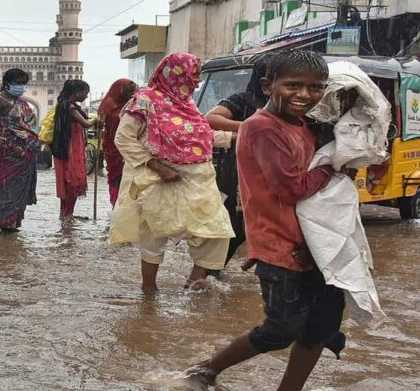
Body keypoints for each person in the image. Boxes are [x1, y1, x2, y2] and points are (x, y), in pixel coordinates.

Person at [186, 50, 346, 391]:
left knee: (320, 325)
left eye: (315, 87)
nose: (304, 95)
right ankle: (206, 369)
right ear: (267, 85)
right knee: (280, 329)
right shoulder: (261, 127)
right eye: (293, 85)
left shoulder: (305, 125)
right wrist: (334, 167)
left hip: (316, 243)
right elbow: (292, 187)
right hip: (280, 246)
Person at [109, 52, 234, 292]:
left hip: (198, 179)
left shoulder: (188, 105)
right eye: (194, 74)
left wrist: (233, 137)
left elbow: (199, 138)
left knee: (216, 230)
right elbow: (123, 138)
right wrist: (156, 166)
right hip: (158, 177)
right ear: (177, 73)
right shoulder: (144, 100)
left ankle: (193, 286)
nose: (197, 81)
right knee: (156, 232)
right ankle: (149, 293)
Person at [205, 54, 273, 267]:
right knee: (234, 224)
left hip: (270, 172)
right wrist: (247, 127)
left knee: (260, 223)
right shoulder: (244, 100)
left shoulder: (287, 105)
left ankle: (212, 268)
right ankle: (208, 270)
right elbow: (211, 118)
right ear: (264, 80)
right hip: (237, 171)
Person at [0, 68, 40, 232]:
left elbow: (28, 126)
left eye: (24, 84)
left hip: (21, 155)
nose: (22, 87)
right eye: (18, 83)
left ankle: (11, 223)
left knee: (15, 190)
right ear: (6, 84)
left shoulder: (23, 104)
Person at [51, 79, 96, 220]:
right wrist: (97, 120)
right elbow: (86, 124)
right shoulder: (70, 108)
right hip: (71, 149)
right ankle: (68, 214)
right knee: (73, 181)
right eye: (85, 93)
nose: (86, 96)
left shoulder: (64, 105)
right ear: (77, 92)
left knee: (67, 182)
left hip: (66, 149)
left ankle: (64, 213)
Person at [98, 79, 138, 206]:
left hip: (131, 147)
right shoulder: (109, 104)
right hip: (113, 149)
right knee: (116, 177)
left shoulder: (133, 104)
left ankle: (127, 208)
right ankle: (116, 206)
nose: (130, 94)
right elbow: (100, 124)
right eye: (128, 91)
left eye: (132, 91)